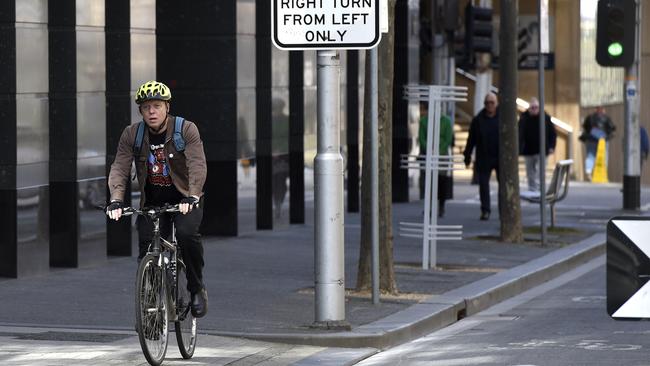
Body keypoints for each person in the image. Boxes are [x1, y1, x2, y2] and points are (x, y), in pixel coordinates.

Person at [106, 80, 209, 318]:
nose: (151, 111)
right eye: (146, 107)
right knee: (146, 247)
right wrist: (116, 200)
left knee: (186, 235)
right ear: (140, 111)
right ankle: (150, 309)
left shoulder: (185, 130)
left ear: (167, 107)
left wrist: (193, 195)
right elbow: (120, 168)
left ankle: (196, 288)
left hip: (185, 200)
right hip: (152, 203)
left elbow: (197, 164)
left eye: (157, 106)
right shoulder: (132, 134)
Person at [463, 93, 500, 221]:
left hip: (499, 157)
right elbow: (471, 140)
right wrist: (467, 156)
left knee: (503, 186)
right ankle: (485, 210)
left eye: (492, 103)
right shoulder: (478, 120)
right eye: (487, 103)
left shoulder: (502, 118)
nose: (489, 105)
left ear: (496, 104)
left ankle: (503, 209)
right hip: (484, 157)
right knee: (483, 185)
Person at [418, 103, 453, 217]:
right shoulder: (424, 121)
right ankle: (428, 206)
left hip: (442, 156)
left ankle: (441, 205)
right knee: (427, 182)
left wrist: (438, 151)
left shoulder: (447, 121)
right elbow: (421, 138)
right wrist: (429, 150)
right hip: (427, 154)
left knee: (442, 182)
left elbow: (448, 139)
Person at [518, 98, 557, 192]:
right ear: (529, 108)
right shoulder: (524, 118)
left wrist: (552, 146)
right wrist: (519, 147)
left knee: (540, 171)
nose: (534, 109)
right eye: (532, 107)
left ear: (539, 108)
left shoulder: (545, 117)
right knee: (530, 172)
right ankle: (532, 189)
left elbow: (552, 133)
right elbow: (519, 133)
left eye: (536, 107)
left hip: (542, 150)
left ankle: (540, 190)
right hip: (528, 150)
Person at [579, 106, 615, 181]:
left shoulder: (590, 117)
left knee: (590, 155)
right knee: (603, 156)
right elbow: (612, 128)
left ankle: (588, 171)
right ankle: (603, 173)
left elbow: (585, 127)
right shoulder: (606, 118)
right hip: (602, 140)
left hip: (590, 139)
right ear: (603, 110)